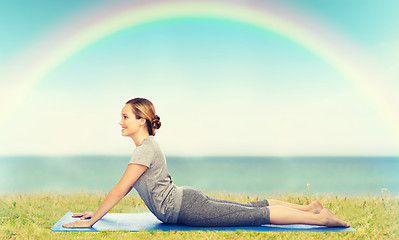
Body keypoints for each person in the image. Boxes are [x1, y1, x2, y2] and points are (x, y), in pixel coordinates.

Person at [62, 97, 350, 228]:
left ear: (142, 120)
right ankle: (308, 208)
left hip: (186, 207)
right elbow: (125, 190)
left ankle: (318, 218)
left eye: (125, 116)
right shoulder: (148, 147)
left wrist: (95, 219)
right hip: (187, 201)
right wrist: (98, 213)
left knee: (254, 216)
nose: (120, 122)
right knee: (250, 208)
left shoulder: (143, 150)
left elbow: (120, 189)